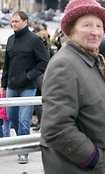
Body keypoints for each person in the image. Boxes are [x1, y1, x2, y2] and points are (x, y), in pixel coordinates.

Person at [40, 0, 105, 173]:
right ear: (71, 29)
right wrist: (93, 159)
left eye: (99, 26)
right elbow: (56, 127)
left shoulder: (92, 62)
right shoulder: (65, 64)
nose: (95, 32)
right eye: (87, 25)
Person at [1, 10, 49, 164]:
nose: (13, 24)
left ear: (25, 22)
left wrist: (28, 76)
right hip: (11, 86)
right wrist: (3, 84)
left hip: (28, 86)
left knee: (23, 120)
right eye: (12, 21)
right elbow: (7, 65)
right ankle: (22, 141)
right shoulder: (10, 40)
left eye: (16, 21)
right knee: (11, 116)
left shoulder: (35, 40)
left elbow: (44, 62)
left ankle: (24, 151)